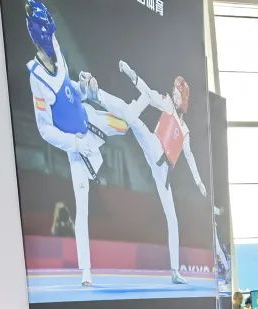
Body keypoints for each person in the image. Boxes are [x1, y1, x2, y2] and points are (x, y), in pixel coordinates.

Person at [25, 0, 135, 287]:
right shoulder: (37, 77)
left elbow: (69, 89)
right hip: (77, 148)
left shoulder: (57, 48)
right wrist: (75, 144)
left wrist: (86, 88)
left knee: (126, 124)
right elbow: (45, 129)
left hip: (90, 117)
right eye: (47, 33)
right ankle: (86, 272)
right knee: (82, 208)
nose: (52, 38)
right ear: (38, 34)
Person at [84, 63, 210, 285]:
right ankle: (98, 94)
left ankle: (175, 271)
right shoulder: (168, 105)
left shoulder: (186, 131)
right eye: (174, 92)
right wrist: (131, 73)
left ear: (184, 98)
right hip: (154, 146)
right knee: (133, 118)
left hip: (162, 172)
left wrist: (199, 182)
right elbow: (148, 92)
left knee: (173, 219)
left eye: (178, 93)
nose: (174, 95)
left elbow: (189, 157)